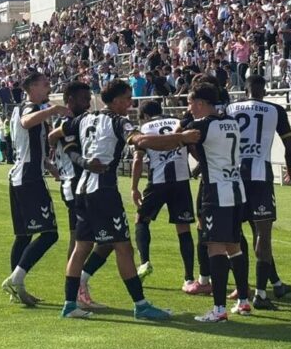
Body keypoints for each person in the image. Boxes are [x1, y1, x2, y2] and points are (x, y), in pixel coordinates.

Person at [54, 79, 200, 320]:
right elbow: (140, 141)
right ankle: (141, 305)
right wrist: (181, 139)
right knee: (123, 247)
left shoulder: (83, 119)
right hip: (103, 190)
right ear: (115, 100)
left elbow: (56, 135)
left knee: (82, 247)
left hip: (82, 189)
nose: (130, 103)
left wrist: (80, 161)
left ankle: (70, 304)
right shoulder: (117, 121)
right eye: (127, 99)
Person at [225, 75, 291, 310]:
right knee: (262, 235)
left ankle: (245, 288)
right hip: (260, 176)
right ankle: (261, 294)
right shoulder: (275, 110)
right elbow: (289, 146)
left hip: (234, 176)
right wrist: (290, 167)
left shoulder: (230, 108)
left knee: (235, 234)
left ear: (244, 90)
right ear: (263, 90)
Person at [183, 83, 250, 322]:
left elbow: (182, 134)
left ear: (201, 103)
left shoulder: (203, 125)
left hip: (217, 192)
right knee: (234, 246)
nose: (188, 108)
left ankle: (219, 308)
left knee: (214, 246)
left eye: (190, 103)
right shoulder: (231, 121)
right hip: (236, 189)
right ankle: (243, 300)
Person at [1, 72, 65, 307]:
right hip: (29, 179)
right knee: (50, 233)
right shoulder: (30, 109)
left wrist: (52, 169)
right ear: (32, 88)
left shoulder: (19, 109)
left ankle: (17, 289)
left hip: (19, 176)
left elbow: (29, 146)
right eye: (45, 84)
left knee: (23, 236)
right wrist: (53, 110)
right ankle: (15, 279)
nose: (49, 88)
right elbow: (28, 122)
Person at [49, 81, 110, 310]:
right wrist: (87, 163)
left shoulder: (79, 122)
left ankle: (78, 288)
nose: (87, 104)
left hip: (84, 185)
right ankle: (74, 295)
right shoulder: (66, 123)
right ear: (71, 100)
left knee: (103, 241)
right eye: (84, 99)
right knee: (83, 242)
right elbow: (71, 151)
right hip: (75, 187)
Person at [128, 100, 197, 293]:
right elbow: (192, 149)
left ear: (145, 116)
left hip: (157, 182)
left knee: (141, 219)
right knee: (183, 228)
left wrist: (134, 187)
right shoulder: (178, 123)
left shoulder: (145, 128)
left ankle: (144, 263)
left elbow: (138, 159)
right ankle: (189, 278)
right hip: (181, 180)